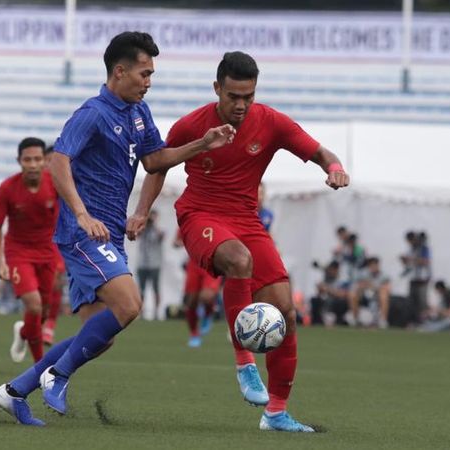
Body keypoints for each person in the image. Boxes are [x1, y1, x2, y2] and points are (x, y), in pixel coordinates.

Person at [0, 31, 235, 426]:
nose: (148, 81)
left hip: (109, 236)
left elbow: (155, 161)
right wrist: (83, 214)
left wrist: (201, 145)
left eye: (151, 74)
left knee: (99, 337)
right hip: (82, 232)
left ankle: (15, 391)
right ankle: (58, 374)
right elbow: (60, 161)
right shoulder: (92, 113)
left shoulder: (139, 112)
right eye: (144, 73)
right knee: (130, 305)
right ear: (119, 71)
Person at [132, 51, 350, 432]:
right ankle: (244, 363)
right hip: (200, 215)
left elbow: (319, 151)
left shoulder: (270, 122)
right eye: (233, 96)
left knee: (286, 312)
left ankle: (277, 413)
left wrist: (334, 168)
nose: (241, 104)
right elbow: (159, 163)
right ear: (217, 88)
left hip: (246, 221)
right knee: (238, 260)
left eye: (248, 96)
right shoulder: (193, 124)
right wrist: (141, 211)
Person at [0, 137, 59, 363]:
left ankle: (22, 333)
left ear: (44, 161)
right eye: (27, 159)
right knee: (34, 305)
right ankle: (40, 367)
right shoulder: (8, 188)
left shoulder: (55, 182)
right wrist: (1, 262)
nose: (33, 164)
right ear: (19, 161)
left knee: (43, 313)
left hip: (47, 252)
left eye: (37, 159)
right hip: (19, 252)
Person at [174, 229, 221, 347]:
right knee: (191, 302)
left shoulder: (216, 217)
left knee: (206, 296)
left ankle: (208, 313)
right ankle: (194, 334)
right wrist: (180, 243)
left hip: (212, 262)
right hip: (194, 264)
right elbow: (176, 241)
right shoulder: (187, 218)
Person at [42, 145, 66, 345]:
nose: (50, 165)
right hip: (36, 242)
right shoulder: (33, 185)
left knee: (56, 281)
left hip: (58, 241)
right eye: (47, 161)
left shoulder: (63, 183)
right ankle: (36, 323)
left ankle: (49, 325)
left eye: (53, 161)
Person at [136, 209, 165, 321]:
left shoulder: (159, 229)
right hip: (142, 263)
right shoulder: (143, 228)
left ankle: (157, 312)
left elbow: (161, 237)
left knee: (156, 289)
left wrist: (154, 224)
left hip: (155, 264)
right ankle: (141, 312)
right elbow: (136, 235)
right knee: (141, 290)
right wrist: (144, 223)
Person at [348, 256, 391, 328]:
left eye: (375, 264)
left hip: (377, 296)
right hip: (364, 295)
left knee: (383, 295)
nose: (373, 267)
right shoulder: (363, 273)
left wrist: (373, 286)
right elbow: (358, 285)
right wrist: (365, 286)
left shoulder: (384, 275)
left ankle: (383, 321)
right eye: (372, 265)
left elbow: (387, 288)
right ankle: (355, 319)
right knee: (352, 294)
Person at [400, 230, 431, 325]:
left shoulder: (424, 248)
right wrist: (404, 260)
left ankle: (425, 322)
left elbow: (426, 261)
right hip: (413, 278)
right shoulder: (411, 250)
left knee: (422, 301)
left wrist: (412, 259)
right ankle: (414, 321)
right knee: (412, 302)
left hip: (422, 279)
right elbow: (409, 264)